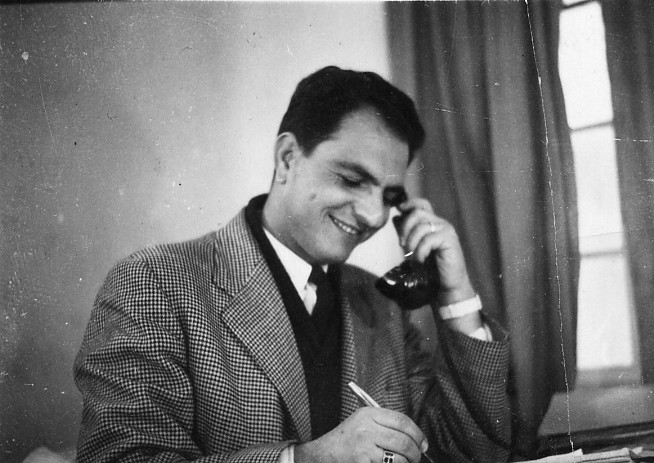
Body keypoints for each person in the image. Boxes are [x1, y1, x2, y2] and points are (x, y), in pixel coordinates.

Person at [74, 66, 511, 463]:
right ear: (287, 158)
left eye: (389, 196)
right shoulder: (153, 283)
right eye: (352, 179)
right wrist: (303, 461)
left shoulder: (382, 307)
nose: (374, 216)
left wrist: (458, 297)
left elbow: (464, 455)